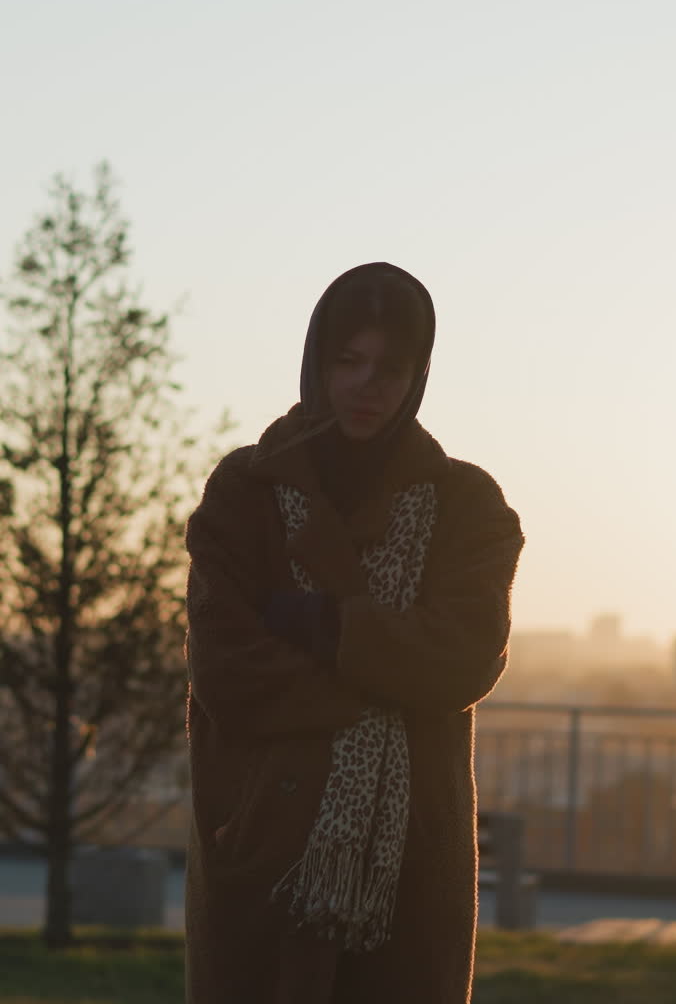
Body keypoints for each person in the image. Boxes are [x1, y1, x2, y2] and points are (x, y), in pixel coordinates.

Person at [184, 262, 524, 1004]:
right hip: (262, 847)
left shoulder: (469, 505)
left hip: (412, 862)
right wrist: (385, 676)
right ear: (317, 361)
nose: (367, 385)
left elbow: (462, 660)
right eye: (348, 360)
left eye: (390, 368)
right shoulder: (244, 491)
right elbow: (227, 673)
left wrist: (321, 621)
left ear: (417, 376)